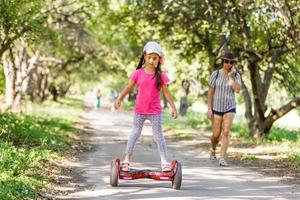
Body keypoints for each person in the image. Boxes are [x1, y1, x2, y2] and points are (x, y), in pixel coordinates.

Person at [114, 41, 177, 172]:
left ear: (159, 60)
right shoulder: (138, 73)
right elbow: (129, 87)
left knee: (158, 135)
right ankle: (127, 159)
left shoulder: (161, 76)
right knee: (135, 133)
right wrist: (119, 98)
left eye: (155, 58)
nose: (151, 60)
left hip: (155, 112)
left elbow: (167, 93)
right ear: (145, 56)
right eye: (149, 57)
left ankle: (164, 161)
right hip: (140, 111)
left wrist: (173, 107)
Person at [207, 52, 241, 166]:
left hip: (229, 107)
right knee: (216, 134)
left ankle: (222, 158)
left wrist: (231, 77)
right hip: (216, 107)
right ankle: (213, 148)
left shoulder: (236, 75)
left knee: (225, 132)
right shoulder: (215, 74)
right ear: (222, 61)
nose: (228, 64)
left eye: (231, 62)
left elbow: (237, 90)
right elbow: (210, 92)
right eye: (226, 61)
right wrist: (209, 109)